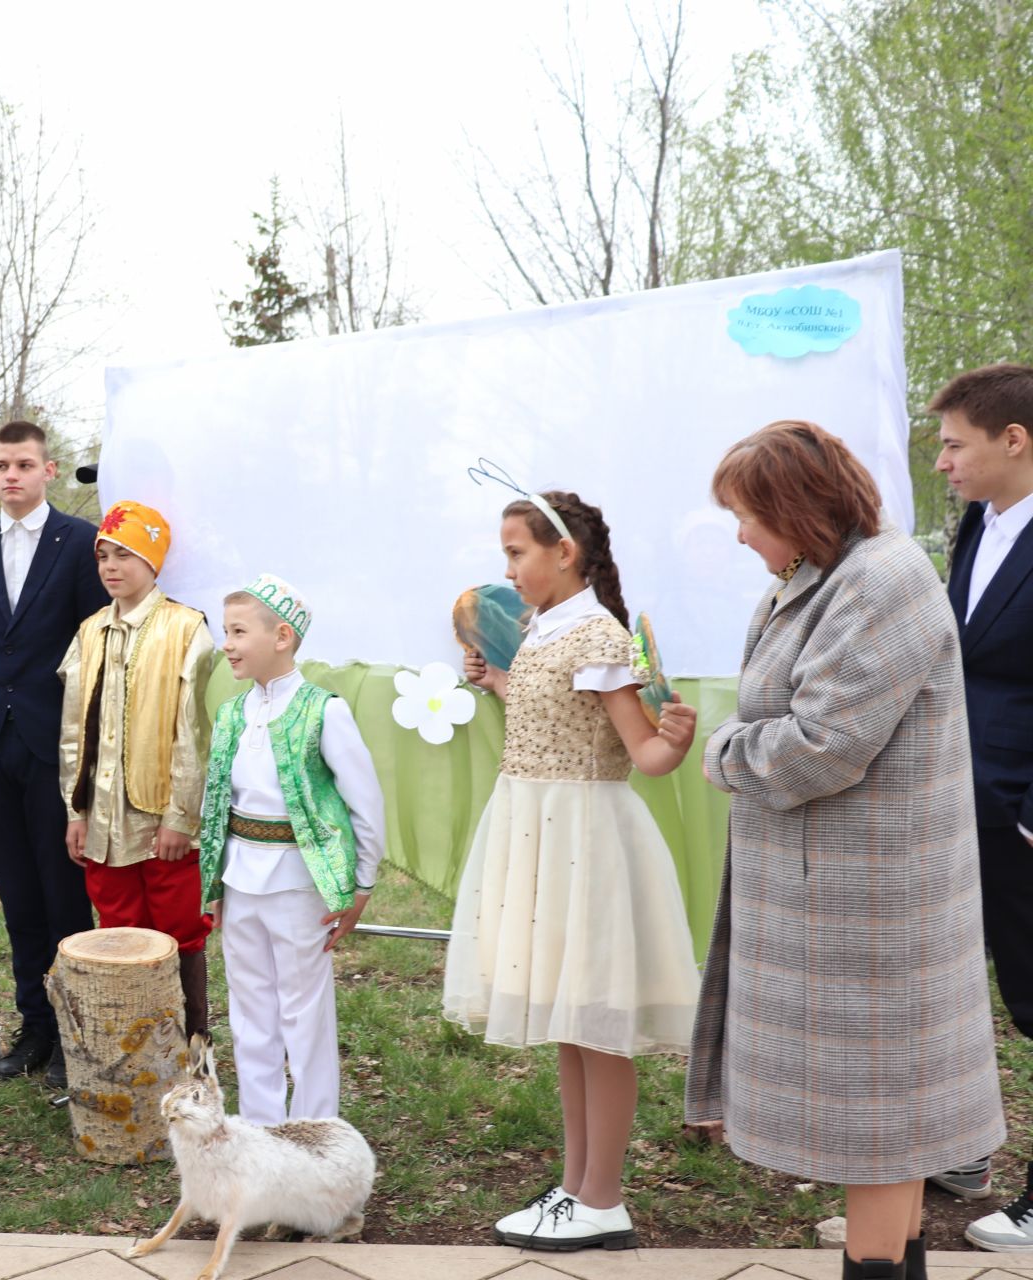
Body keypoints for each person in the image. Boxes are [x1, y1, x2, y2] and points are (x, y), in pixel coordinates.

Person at [684, 420, 1005, 1280]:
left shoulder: (878, 581)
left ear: (799, 503)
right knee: (891, 1130)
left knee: (883, 1129)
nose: (741, 533)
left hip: (870, 916)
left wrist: (721, 753)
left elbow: (823, 744)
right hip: (843, 904)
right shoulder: (825, 573)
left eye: (749, 514)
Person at [444, 489, 701, 1252]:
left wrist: (678, 742)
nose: (510, 568)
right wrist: (500, 681)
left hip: (582, 842)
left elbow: (645, 753)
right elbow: (555, 717)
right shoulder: (544, 631)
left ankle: (604, 1197)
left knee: (596, 1024)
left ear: (566, 553)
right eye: (505, 555)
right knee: (569, 1022)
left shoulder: (596, 636)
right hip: (538, 833)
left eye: (518, 553)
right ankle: (577, 1187)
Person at [0, 420, 107, 1087]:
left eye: (24, 464)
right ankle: (34, 1025)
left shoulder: (80, 544)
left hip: (53, 743)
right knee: (15, 896)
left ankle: (75, 1032)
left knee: (63, 892)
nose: (11, 475)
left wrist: (90, 757)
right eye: (1, 465)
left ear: (48, 469)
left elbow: (94, 653)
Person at [196, 574, 385, 1123]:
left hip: (300, 884)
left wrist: (361, 884)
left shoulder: (324, 711)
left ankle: (314, 1134)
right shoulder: (233, 713)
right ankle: (260, 1134)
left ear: (281, 636)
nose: (226, 643)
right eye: (224, 631)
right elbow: (217, 807)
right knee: (250, 1013)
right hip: (239, 880)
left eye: (237, 631)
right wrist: (214, 884)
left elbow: (364, 804)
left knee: (304, 1013)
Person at [918, 365, 1033, 1249]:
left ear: (1014, 440)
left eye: (955, 443)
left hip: (1020, 818)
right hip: (963, 808)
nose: (943, 460)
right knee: (969, 993)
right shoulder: (976, 526)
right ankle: (961, 1153)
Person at [58, 500, 216, 1039]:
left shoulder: (186, 629)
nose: (110, 565)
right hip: (102, 820)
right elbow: (74, 731)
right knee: (119, 928)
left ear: (153, 560)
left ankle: (190, 1042)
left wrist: (181, 816)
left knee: (178, 931)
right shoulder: (90, 632)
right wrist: (75, 811)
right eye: (103, 554)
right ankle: (134, 1049)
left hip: (161, 821)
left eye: (124, 553)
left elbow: (194, 734)